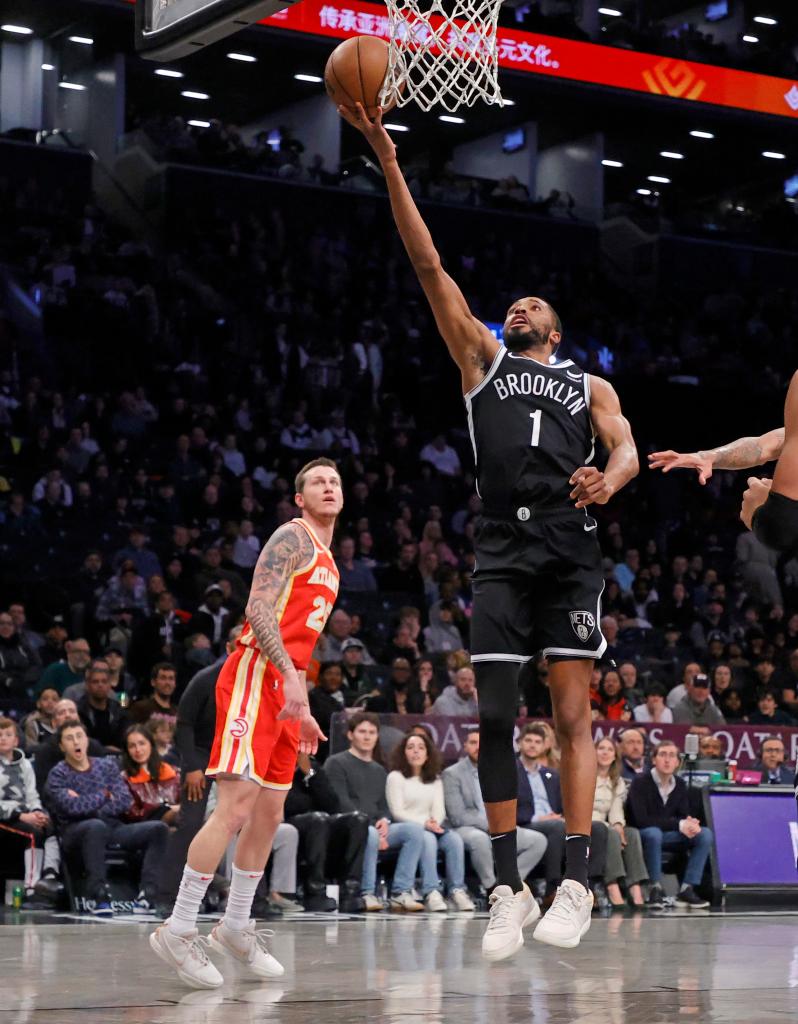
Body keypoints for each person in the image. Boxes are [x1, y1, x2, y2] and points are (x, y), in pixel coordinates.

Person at [339, 99, 639, 955]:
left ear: (558, 329)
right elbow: (430, 265)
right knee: (498, 720)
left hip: (570, 544)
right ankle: (508, 888)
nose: (520, 306)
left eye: (533, 303)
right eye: (514, 302)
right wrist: (391, 162)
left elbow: (627, 453)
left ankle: (576, 881)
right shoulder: (483, 362)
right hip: (502, 547)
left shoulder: (590, 387)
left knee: (575, 715)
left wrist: (608, 482)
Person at [150, 458, 340, 989]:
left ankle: (235, 925)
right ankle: (179, 927)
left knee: (270, 814)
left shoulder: (331, 561)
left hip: (284, 689)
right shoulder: (292, 538)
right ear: (299, 499)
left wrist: (298, 704)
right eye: (318, 483)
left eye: (335, 482)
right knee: (234, 808)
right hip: (255, 674)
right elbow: (258, 612)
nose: (329, 487)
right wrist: (290, 678)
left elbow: (301, 638)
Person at [46, 720, 169, 916]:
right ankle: (99, 895)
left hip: (112, 826)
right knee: (95, 826)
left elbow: (123, 800)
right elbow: (71, 807)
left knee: (158, 829)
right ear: (62, 746)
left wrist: (89, 804)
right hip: (75, 831)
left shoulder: (107, 766)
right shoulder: (58, 774)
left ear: (87, 740)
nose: (76, 742)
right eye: (69, 739)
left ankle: (148, 894)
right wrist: (104, 795)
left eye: (79, 736)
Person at [325, 712, 425, 913]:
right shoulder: (335, 762)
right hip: (346, 827)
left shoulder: (380, 770)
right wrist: (372, 825)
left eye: (372, 732)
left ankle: (400, 892)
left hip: (373, 826)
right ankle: (366, 892)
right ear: (350, 735)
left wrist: (384, 821)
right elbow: (340, 802)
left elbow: (383, 805)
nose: (367, 736)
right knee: (367, 832)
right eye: (362, 731)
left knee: (413, 831)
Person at [515, 723, 607, 915]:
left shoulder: (551, 774)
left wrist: (561, 816)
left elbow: (564, 804)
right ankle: (553, 888)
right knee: (557, 828)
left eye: (537, 742)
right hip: (527, 823)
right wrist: (540, 817)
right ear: (519, 744)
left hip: (554, 821)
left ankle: (588, 885)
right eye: (528, 741)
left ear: (544, 747)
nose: (532, 745)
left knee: (597, 828)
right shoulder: (512, 771)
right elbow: (508, 807)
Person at [443, 729, 547, 893]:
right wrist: (488, 825)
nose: (478, 747)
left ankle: (508, 885)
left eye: (481, 743)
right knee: (480, 840)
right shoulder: (452, 774)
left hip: (496, 825)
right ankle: (490, 888)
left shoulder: (497, 770)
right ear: (464, 746)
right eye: (473, 743)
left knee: (538, 841)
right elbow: (457, 816)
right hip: (466, 828)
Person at [386, 731, 475, 912]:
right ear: (403, 753)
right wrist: (424, 824)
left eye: (421, 748)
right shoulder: (395, 777)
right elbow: (397, 812)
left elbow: (438, 811)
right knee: (426, 838)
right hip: (404, 827)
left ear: (428, 754)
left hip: (430, 826)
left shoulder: (435, 779)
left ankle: (457, 889)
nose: (416, 752)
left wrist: (433, 823)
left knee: (454, 839)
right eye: (410, 748)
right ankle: (431, 891)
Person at [626, 740, 713, 909]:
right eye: (662, 755)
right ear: (654, 760)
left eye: (672, 756)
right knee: (653, 833)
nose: (667, 760)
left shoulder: (679, 784)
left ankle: (687, 888)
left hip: (668, 834)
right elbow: (640, 820)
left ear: (677, 762)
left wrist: (689, 823)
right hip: (642, 835)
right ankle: (654, 888)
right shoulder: (640, 782)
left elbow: (681, 816)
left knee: (704, 834)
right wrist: (679, 824)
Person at [283, 752, 368, 913]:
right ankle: (315, 892)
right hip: (289, 822)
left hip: (320, 822)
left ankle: (350, 893)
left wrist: (309, 774)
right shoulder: (278, 763)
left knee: (359, 820)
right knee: (318, 820)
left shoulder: (312, 766)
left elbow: (332, 804)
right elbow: (288, 805)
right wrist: (310, 803)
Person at [0, 717, 61, 902]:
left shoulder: (25, 764)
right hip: (6, 816)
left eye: (8, 735)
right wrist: (21, 815)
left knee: (49, 827)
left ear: (16, 740)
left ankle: (50, 876)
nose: (3, 738)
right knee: (33, 834)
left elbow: (32, 793)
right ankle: (31, 889)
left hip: (25, 813)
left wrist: (37, 812)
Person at [592, 737, 646, 908]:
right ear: (594, 752)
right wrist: (613, 829)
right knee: (610, 833)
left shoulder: (617, 781)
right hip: (589, 824)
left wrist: (618, 825)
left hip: (605, 825)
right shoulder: (584, 776)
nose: (605, 752)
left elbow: (616, 810)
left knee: (632, 833)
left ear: (615, 756)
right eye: (601, 748)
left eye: (610, 749)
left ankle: (634, 886)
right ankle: (612, 885)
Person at [32, 698, 107, 794]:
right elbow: (43, 789)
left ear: (78, 718)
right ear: (54, 723)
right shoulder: (45, 751)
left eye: (72, 711)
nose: (67, 715)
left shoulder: (94, 746)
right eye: (62, 713)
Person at [121, 725, 181, 825]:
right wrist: (165, 809)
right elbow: (132, 813)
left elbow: (188, 801)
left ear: (150, 744)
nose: (138, 749)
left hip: (178, 815)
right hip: (147, 823)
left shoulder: (173, 772)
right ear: (127, 750)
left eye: (142, 743)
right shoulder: (124, 779)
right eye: (132, 746)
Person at [77, 663, 130, 751]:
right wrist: (103, 750)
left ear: (109, 685)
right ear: (87, 685)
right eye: (95, 682)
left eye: (104, 681)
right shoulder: (79, 711)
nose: (100, 685)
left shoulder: (119, 711)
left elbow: (125, 737)